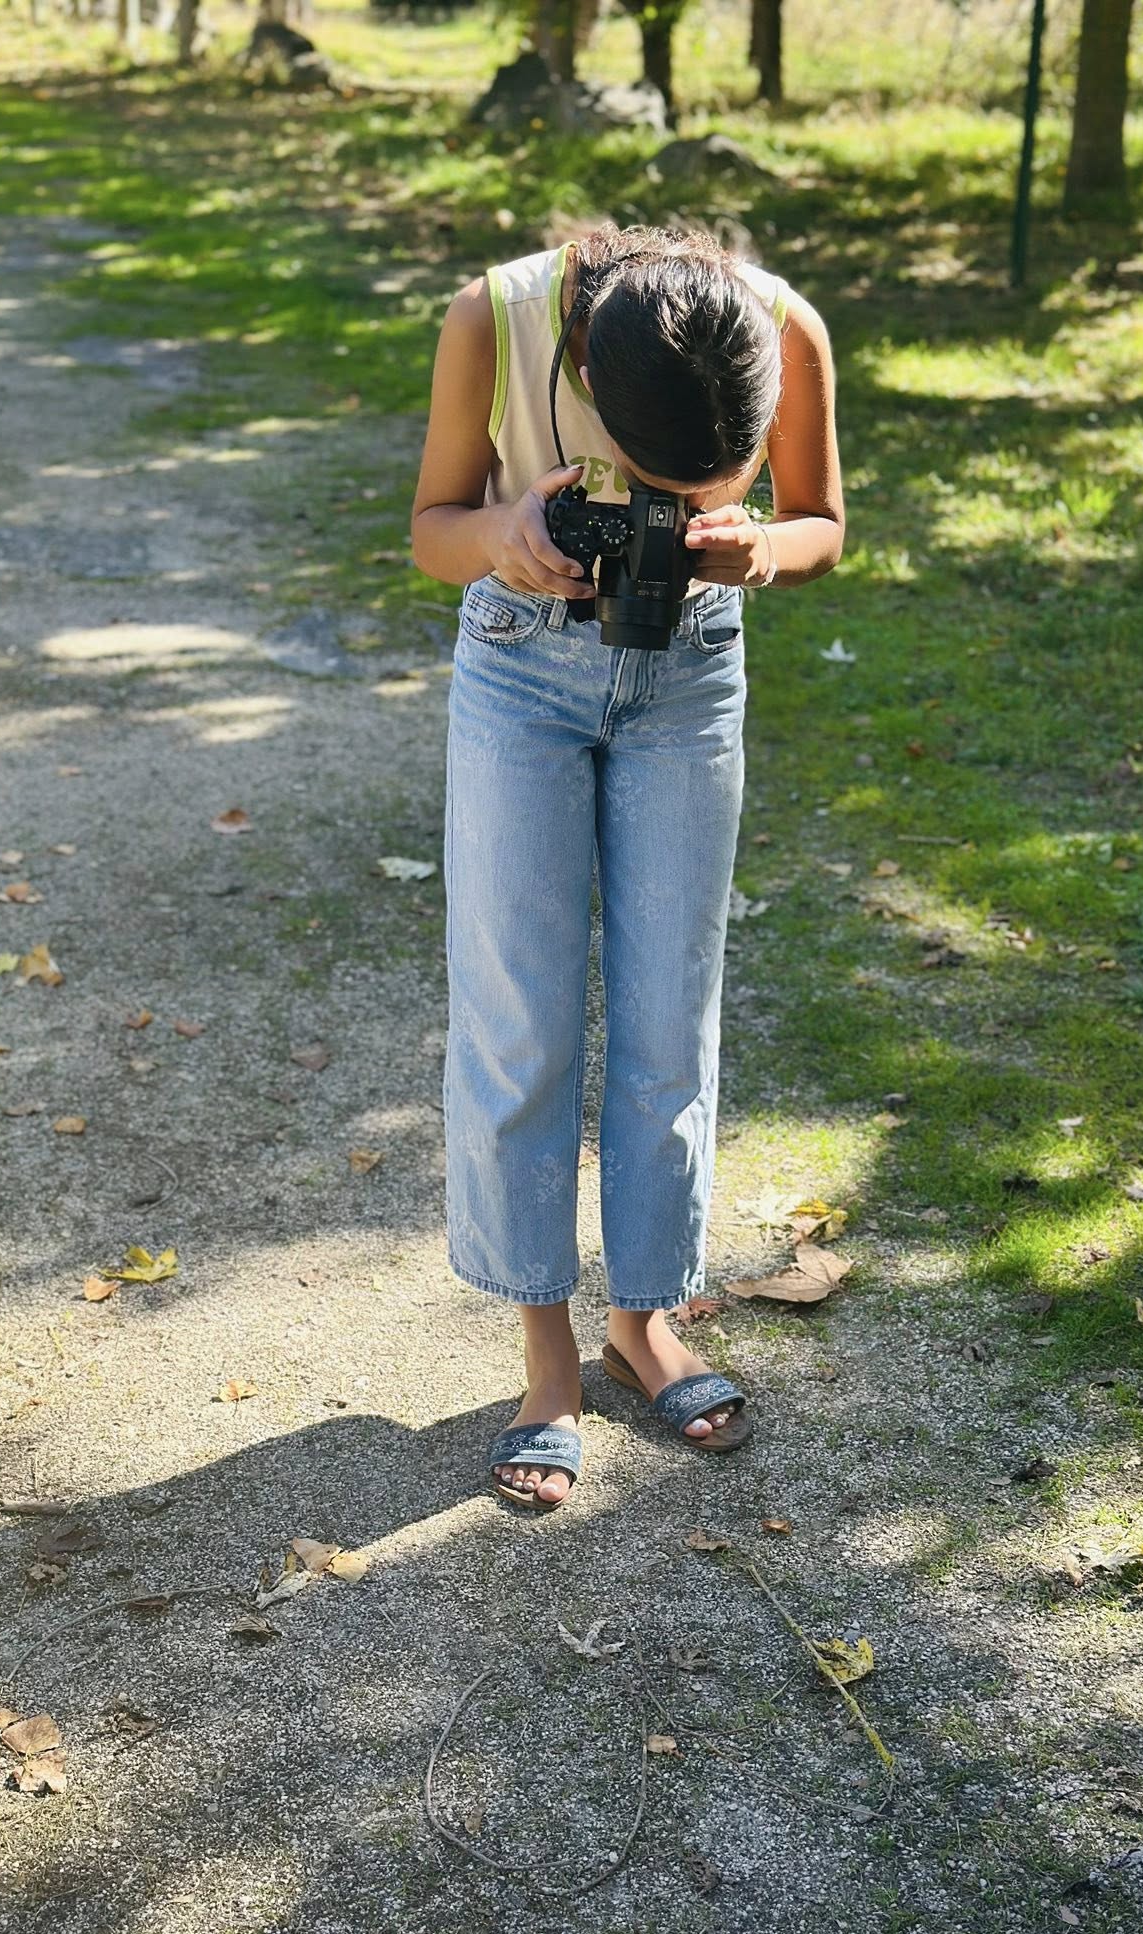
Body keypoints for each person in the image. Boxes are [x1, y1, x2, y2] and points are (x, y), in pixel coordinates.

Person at [410, 222, 843, 1512]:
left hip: (691, 672)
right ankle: (547, 1360)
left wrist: (761, 549)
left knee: (670, 1011)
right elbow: (431, 529)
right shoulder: (494, 317)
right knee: (521, 1017)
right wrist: (502, 534)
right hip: (520, 668)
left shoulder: (783, 326)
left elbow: (824, 524)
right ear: (590, 377)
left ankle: (643, 1323)